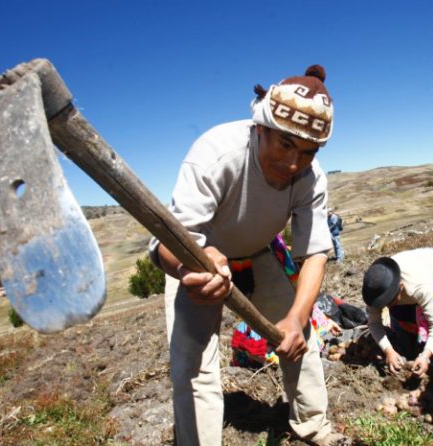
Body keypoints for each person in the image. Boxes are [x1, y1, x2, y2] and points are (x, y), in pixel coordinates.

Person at [149, 65, 349, 446]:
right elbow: (165, 244)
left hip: (260, 252)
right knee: (192, 365)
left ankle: (312, 424)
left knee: (298, 337)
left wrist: (295, 317)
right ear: (260, 127)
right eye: (285, 144)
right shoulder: (215, 153)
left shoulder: (311, 178)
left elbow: (315, 254)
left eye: (308, 152)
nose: (293, 163)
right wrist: (192, 270)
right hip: (199, 259)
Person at [361, 248, 433, 377]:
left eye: (389, 302)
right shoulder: (374, 290)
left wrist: (426, 355)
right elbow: (374, 324)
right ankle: (415, 339)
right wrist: (389, 351)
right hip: (411, 267)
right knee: (403, 316)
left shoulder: (419, 287)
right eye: (383, 303)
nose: (385, 306)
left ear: (401, 287)